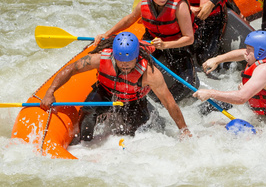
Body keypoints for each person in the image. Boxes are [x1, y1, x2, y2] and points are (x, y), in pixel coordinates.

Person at [40, 32, 191, 142]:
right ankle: (85, 147)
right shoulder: (101, 58)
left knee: (136, 133)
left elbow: (169, 103)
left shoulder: (150, 73)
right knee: (87, 116)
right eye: (120, 61)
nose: (125, 65)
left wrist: (184, 129)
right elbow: (71, 68)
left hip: (134, 101)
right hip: (105, 92)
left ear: (137, 56)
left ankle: (152, 114)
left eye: (129, 61)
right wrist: (50, 91)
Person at [94, 0, 199, 103]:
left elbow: (189, 38)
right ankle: (146, 98)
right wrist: (107, 34)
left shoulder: (180, 6)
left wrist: (165, 45)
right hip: (151, 42)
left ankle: (165, 102)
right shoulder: (143, 3)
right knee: (136, 73)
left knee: (187, 85)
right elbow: (128, 20)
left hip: (177, 45)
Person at [194, 30, 266, 121]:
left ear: (261, 51)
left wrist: (210, 93)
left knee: (217, 124)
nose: (245, 53)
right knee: (207, 107)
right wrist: (217, 59)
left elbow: (241, 98)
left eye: (249, 49)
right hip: (258, 110)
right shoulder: (260, 56)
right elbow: (240, 54)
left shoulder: (265, 69)